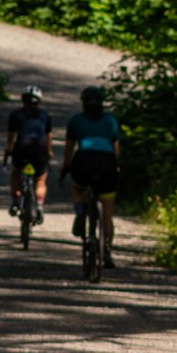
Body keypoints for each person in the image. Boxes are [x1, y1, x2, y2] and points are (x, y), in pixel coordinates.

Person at [62, 85, 122, 265]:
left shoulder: (76, 121)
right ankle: (107, 251)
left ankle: (80, 211)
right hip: (106, 163)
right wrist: (116, 167)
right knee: (108, 210)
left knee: (78, 188)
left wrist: (66, 167)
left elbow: (69, 149)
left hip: (83, 161)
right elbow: (115, 150)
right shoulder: (111, 121)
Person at [5, 87, 52, 223]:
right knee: (40, 179)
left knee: (16, 172)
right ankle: (39, 206)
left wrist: (8, 149)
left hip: (22, 147)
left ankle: (15, 201)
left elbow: (11, 136)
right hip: (39, 148)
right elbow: (48, 136)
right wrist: (49, 151)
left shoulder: (15, 114)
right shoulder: (45, 115)